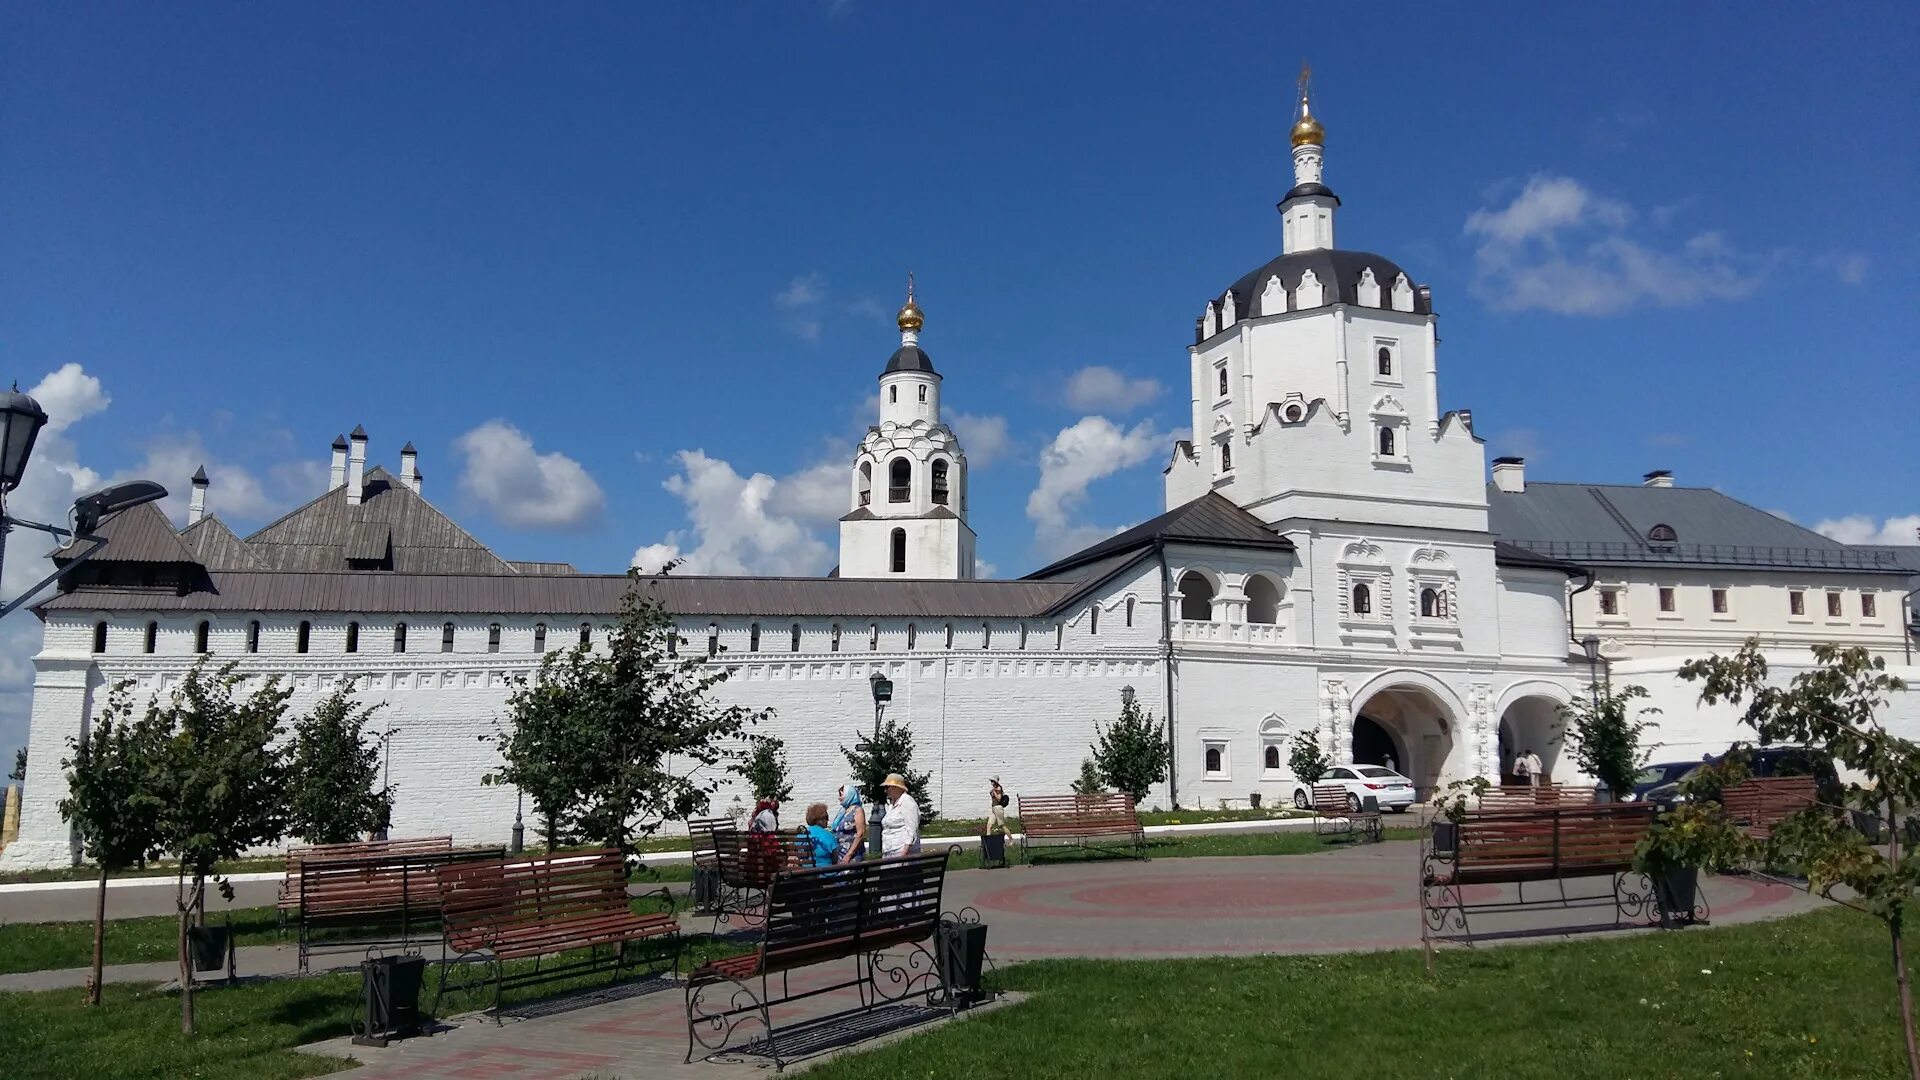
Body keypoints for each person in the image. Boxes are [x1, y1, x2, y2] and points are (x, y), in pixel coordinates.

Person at [879, 773, 921, 857]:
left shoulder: (907, 802)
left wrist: (904, 853)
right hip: (889, 851)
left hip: (901, 853)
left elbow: (911, 830)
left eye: (887, 787)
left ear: (896, 788)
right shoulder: (892, 804)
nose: (885, 791)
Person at [832, 782, 867, 863]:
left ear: (849, 794)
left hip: (851, 855)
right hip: (840, 854)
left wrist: (849, 854)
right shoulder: (842, 812)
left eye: (841, 795)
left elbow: (860, 833)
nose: (839, 798)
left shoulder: (858, 810)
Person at [800, 803, 839, 869]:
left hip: (804, 873)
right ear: (819, 820)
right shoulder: (828, 835)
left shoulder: (800, 835)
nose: (828, 820)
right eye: (826, 817)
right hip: (825, 874)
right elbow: (835, 859)